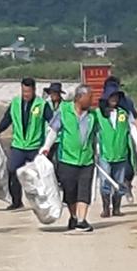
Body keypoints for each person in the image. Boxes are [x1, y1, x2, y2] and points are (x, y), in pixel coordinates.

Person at [41, 84, 99, 232]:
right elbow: (54, 130)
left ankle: (82, 220)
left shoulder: (93, 116)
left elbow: (95, 137)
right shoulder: (64, 111)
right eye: (89, 98)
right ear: (80, 98)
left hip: (87, 159)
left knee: (84, 190)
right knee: (70, 191)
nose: (92, 101)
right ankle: (73, 216)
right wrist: (46, 147)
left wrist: (97, 153)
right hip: (67, 159)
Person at [0, 77, 52, 211]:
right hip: (18, 145)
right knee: (12, 170)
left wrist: (50, 135)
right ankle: (16, 201)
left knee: (37, 175)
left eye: (28, 92)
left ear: (34, 90)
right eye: (24, 91)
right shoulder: (15, 103)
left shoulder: (42, 104)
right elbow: (7, 119)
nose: (26, 95)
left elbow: (52, 121)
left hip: (35, 146)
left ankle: (41, 200)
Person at [100, 76, 137, 199]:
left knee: (124, 171)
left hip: (122, 144)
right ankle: (106, 206)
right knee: (106, 178)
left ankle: (121, 196)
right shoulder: (99, 111)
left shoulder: (126, 104)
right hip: (105, 150)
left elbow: (133, 119)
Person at [97, 86, 132, 218]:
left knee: (120, 182)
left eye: (116, 97)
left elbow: (131, 129)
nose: (114, 99)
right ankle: (106, 208)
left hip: (121, 153)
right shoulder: (98, 114)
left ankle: (116, 208)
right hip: (105, 154)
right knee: (105, 181)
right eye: (112, 96)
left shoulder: (123, 113)